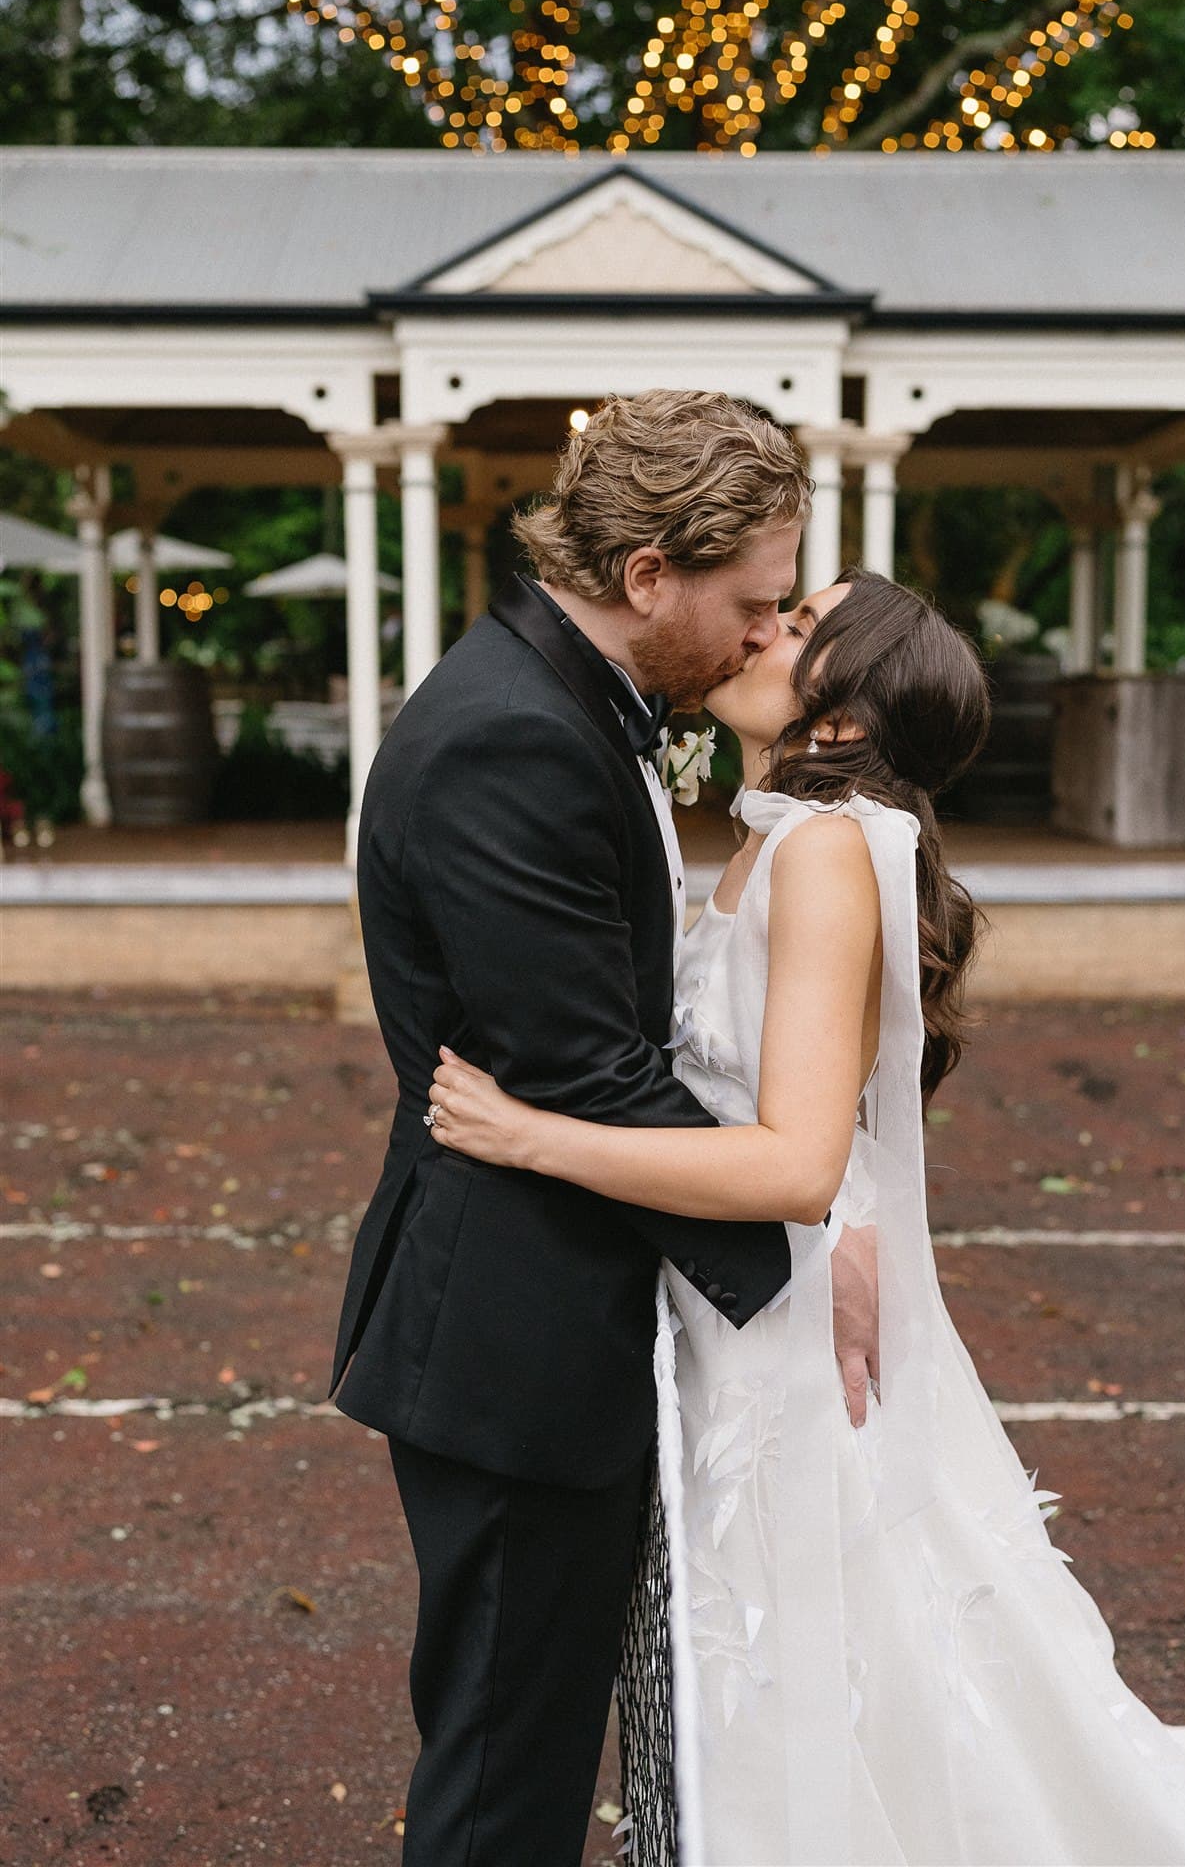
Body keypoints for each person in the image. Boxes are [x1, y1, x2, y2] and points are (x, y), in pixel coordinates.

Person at [427, 569, 1185, 1867]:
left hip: (773, 1312)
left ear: (842, 725)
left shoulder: (819, 854)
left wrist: (528, 1137)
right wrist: (858, 1214)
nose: (760, 629)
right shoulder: (775, 835)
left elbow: (795, 1163)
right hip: (738, 1301)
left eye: (798, 625)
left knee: (811, 1644)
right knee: (797, 1647)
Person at [327, 390, 881, 1866]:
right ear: (649, 576)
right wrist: (791, 1253)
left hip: (568, 1298)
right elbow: (579, 1069)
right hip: (512, 1333)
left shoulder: (571, 704)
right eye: (752, 605)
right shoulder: (509, 737)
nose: (768, 637)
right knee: (508, 1771)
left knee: (546, 1734)